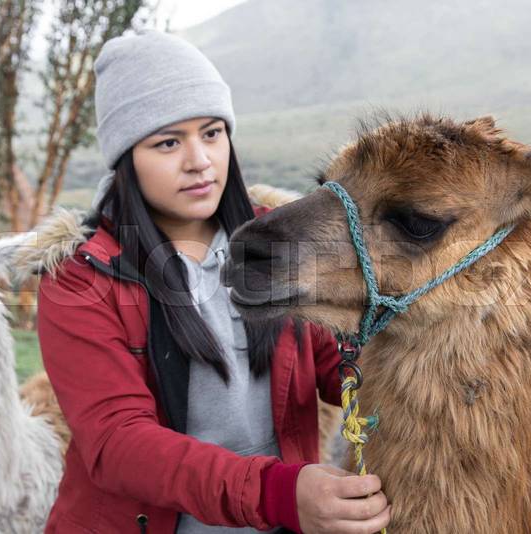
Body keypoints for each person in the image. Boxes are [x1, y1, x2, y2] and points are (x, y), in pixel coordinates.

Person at [36, 30, 391, 534]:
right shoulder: (81, 280)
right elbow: (117, 443)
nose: (199, 160)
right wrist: (278, 493)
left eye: (211, 132)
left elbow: (337, 361)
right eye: (167, 142)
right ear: (126, 159)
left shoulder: (273, 244)